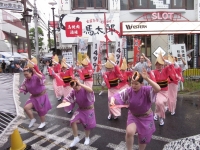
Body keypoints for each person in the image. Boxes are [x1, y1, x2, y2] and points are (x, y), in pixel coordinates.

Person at [109, 69, 161, 150]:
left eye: (136, 84)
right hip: (134, 116)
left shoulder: (146, 90)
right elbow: (116, 95)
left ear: (142, 84)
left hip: (146, 117)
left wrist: (147, 78)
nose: (133, 85)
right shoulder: (129, 91)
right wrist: (112, 100)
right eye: (132, 83)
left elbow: (158, 89)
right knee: (129, 132)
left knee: (143, 139)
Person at [62, 79, 96, 147]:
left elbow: (91, 90)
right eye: (74, 87)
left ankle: (87, 137)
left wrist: (80, 84)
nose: (75, 88)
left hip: (89, 110)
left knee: (87, 126)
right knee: (72, 121)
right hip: (80, 109)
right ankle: (76, 138)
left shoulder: (84, 89)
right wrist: (64, 100)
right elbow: (68, 97)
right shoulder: (74, 91)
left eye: (76, 87)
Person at [19, 64, 52, 129]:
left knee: (40, 110)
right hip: (33, 97)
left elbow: (42, 78)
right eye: (24, 75)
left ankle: (43, 122)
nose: (25, 76)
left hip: (41, 96)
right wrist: (17, 91)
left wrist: (36, 73)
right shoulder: (25, 80)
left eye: (27, 74)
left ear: (31, 73)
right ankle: (32, 119)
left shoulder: (36, 77)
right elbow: (22, 87)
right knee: (26, 108)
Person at [148, 54, 177, 126]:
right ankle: (161, 118)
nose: (159, 66)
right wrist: (148, 67)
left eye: (160, 64)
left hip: (165, 91)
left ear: (163, 65)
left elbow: (171, 66)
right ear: (155, 65)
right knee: (159, 103)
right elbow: (150, 73)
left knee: (161, 104)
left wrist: (165, 61)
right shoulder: (153, 71)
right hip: (158, 91)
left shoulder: (165, 70)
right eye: (157, 65)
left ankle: (157, 114)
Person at [102, 53, 124, 120]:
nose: (109, 69)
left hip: (116, 89)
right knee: (110, 102)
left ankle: (115, 114)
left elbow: (116, 66)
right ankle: (110, 113)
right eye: (108, 68)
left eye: (110, 68)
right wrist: (104, 83)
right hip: (110, 89)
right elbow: (105, 80)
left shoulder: (115, 72)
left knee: (116, 101)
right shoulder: (106, 73)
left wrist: (111, 61)